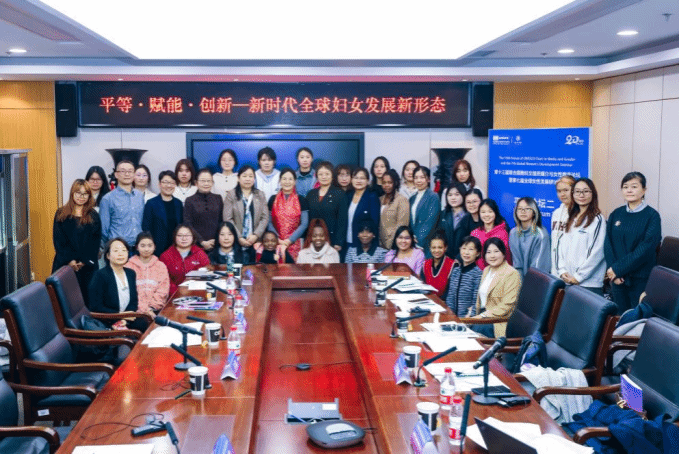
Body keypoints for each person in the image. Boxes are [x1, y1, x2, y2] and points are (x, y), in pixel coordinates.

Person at [604, 172, 662, 314]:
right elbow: (608, 244)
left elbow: (646, 248)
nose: (629, 190)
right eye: (625, 187)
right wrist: (613, 271)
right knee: (619, 317)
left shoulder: (652, 216)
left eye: (634, 186)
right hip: (617, 278)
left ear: (644, 190)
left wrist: (618, 269)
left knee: (637, 318)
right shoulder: (616, 214)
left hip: (640, 278)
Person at [52, 179, 101, 302]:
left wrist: (83, 261)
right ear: (72, 193)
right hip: (64, 264)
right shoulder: (61, 213)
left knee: (87, 300)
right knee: (64, 301)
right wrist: (71, 261)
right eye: (78, 193)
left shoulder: (93, 215)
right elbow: (59, 241)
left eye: (85, 194)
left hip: (88, 266)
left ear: (89, 196)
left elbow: (95, 242)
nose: (81, 197)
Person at [555, 178, 606, 295]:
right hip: (568, 281)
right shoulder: (571, 217)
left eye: (586, 191)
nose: (581, 195)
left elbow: (597, 252)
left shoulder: (597, 219)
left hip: (588, 284)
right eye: (577, 191)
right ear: (573, 194)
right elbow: (559, 246)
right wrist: (562, 271)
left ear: (593, 194)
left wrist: (578, 277)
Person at [88, 238, 147, 331]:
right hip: (107, 320)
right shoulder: (100, 275)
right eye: (116, 251)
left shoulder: (131, 273)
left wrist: (124, 320)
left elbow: (133, 302)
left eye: (124, 250)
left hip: (126, 319)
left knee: (145, 323)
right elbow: (96, 307)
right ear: (108, 255)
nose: (120, 254)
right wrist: (119, 316)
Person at [469, 237, 521, 338]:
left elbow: (508, 305)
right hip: (482, 316)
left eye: (496, 251)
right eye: (488, 252)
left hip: (498, 320)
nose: (492, 256)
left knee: (473, 332)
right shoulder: (486, 270)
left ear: (503, 253)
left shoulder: (512, 273)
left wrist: (482, 316)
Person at [223, 165, 270, 256]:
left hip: (256, 241)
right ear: (238, 178)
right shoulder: (231, 195)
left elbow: (265, 217)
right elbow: (227, 218)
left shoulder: (260, 195)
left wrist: (256, 235)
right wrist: (239, 237)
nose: (247, 179)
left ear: (254, 179)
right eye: (244, 176)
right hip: (235, 241)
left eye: (250, 176)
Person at [99, 159, 145, 249]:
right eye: (123, 171)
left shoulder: (139, 196)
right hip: (118, 248)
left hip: (138, 248)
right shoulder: (107, 199)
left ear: (134, 174)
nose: (127, 174)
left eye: (130, 171)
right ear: (116, 174)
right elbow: (104, 230)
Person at [268, 168, 309, 262]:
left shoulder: (301, 200)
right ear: (279, 181)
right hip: (275, 242)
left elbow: (304, 224)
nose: (287, 182)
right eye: (284, 179)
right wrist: (277, 239)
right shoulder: (272, 199)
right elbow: (269, 222)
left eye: (290, 179)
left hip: (296, 243)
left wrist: (290, 240)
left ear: (295, 181)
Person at [306, 161, 347, 252]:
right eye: (320, 174)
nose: (324, 177)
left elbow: (342, 220)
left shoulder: (339, 193)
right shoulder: (311, 194)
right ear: (317, 176)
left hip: (332, 240)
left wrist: (338, 242)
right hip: (313, 240)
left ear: (332, 175)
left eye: (327, 174)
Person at [125, 232, 169, 315]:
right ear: (137, 247)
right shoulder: (128, 266)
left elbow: (163, 290)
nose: (146, 249)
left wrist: (151, 308)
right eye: (142, 246)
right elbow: (127, 292)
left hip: (155, 310)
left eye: (150, 246)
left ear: (154, 247)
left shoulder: (161, 266)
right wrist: (144, 310)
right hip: (134, 311)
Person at [160, 224, 210, 295]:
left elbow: (207, 276)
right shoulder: (165, 256)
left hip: (198, 293)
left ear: (193, 237)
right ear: (174, 237)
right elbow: (164, 280)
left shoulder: (200, 254)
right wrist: (178, 292)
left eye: (187, 235)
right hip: (174, 295)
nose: (184, 239)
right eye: (180, 235)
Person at [142, 170, 184, 257]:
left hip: (176, 249)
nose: (169, 185)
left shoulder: (178, 203)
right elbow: (146, 228)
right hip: (157, 250)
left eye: (172, 183)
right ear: (159, 184)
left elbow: (181, 225)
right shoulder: (151, 203)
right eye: (165, 182)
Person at [509, 197, 551, 276]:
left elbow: (538, 268)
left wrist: (527, 283)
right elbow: (517, 264)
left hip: (538, 279)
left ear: (534, 212)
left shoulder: (541, 235)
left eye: (527, 209)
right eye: (520, 209)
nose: (523, 211)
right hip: (519, 278)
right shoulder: (513, 233)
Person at [184, 168, 223, 252]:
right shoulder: (189, 200)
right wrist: (201, 241)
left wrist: (216, 239)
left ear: (212, 183)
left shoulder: (218, 198)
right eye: (202, 181)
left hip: (216, 244)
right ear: (196, 183)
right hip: (196, 245)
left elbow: (221, 221)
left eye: (209, 181)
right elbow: (188, 224)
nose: (206, 183)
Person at [445, 236, 483, 317]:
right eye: (464, 248)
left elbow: (476, 301)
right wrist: (449, 315)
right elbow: (450, 297)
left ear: (478, 253)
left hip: (467, 319)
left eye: (471, 249)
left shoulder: (478, 274)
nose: (466, 252)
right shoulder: (456, 271)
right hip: (452, 318)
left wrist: (470, 318)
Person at [470, 199, 511, 270]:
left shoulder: (503, 233)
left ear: (495, 213)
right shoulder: (474, 233)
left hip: (498, 272)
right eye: (483, 212)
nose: (486, 215)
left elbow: (507, 257)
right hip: (478, 273)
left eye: (490, 211)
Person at [346, 167, 380, 250]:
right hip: (346, 241)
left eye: (362, 178)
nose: (358, 181)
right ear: (351, 180)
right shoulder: (348, 196)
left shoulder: (372, 197)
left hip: (363, 244)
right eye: (356, 178)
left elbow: (374, 222)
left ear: (368, 181)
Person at [409, 166, 440, 254]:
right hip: (412, 243)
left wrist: (419, 241)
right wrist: (411, 237)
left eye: (422, 177)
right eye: (416, 178)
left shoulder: (433, 196)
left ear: (428, 179)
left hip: (426, 243)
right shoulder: (412, 198)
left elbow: (430, 221)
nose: (419, 181)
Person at [550, 175, 576, 276]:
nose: (562, 194)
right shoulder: (556, 213)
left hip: (572, 271)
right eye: (559, 191)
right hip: (556, 270)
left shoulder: (580, 213)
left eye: (566, 190)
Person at [379, 169, 410, 250]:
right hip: (379, 245)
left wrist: (391, 243)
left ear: (395, 183)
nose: (386, 185)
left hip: (393, 244)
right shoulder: (380, 199)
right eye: (384, 183)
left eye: (390, 182)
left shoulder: (401, 200)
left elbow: (402, 225)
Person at [438, 182, 469, 259]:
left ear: (463, 195)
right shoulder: (443, 214)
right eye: (450, 195)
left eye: (457, 194)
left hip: (465, 258)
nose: (453, 198)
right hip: (446, 258)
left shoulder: (469, 216)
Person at [421, 231, 455, 298]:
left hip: (444, 302)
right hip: (427, 300)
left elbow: (451, 291)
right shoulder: (425, 264)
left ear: (445, 248)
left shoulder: (452, 265)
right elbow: (423, 286)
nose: (436, 251)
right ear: (430, 248)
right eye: (434, 247)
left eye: (440, 247)